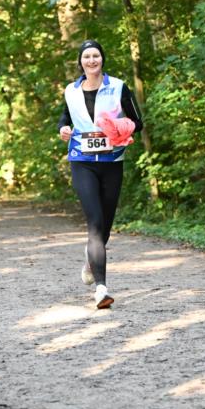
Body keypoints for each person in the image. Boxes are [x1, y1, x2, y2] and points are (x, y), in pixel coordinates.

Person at [58, 40, 143, 308]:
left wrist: (120, 127)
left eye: (96, 55)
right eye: (87, 56)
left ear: (102, 59)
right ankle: (101, 289)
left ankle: (90, 260)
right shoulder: (71, 91)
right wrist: (63, 129)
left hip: (112, 161)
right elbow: (65, 119)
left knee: (105, 226)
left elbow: (138, 122)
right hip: (82, 161)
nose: (92, 60)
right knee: (94, 223)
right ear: (81, 62)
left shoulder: (118, 87)